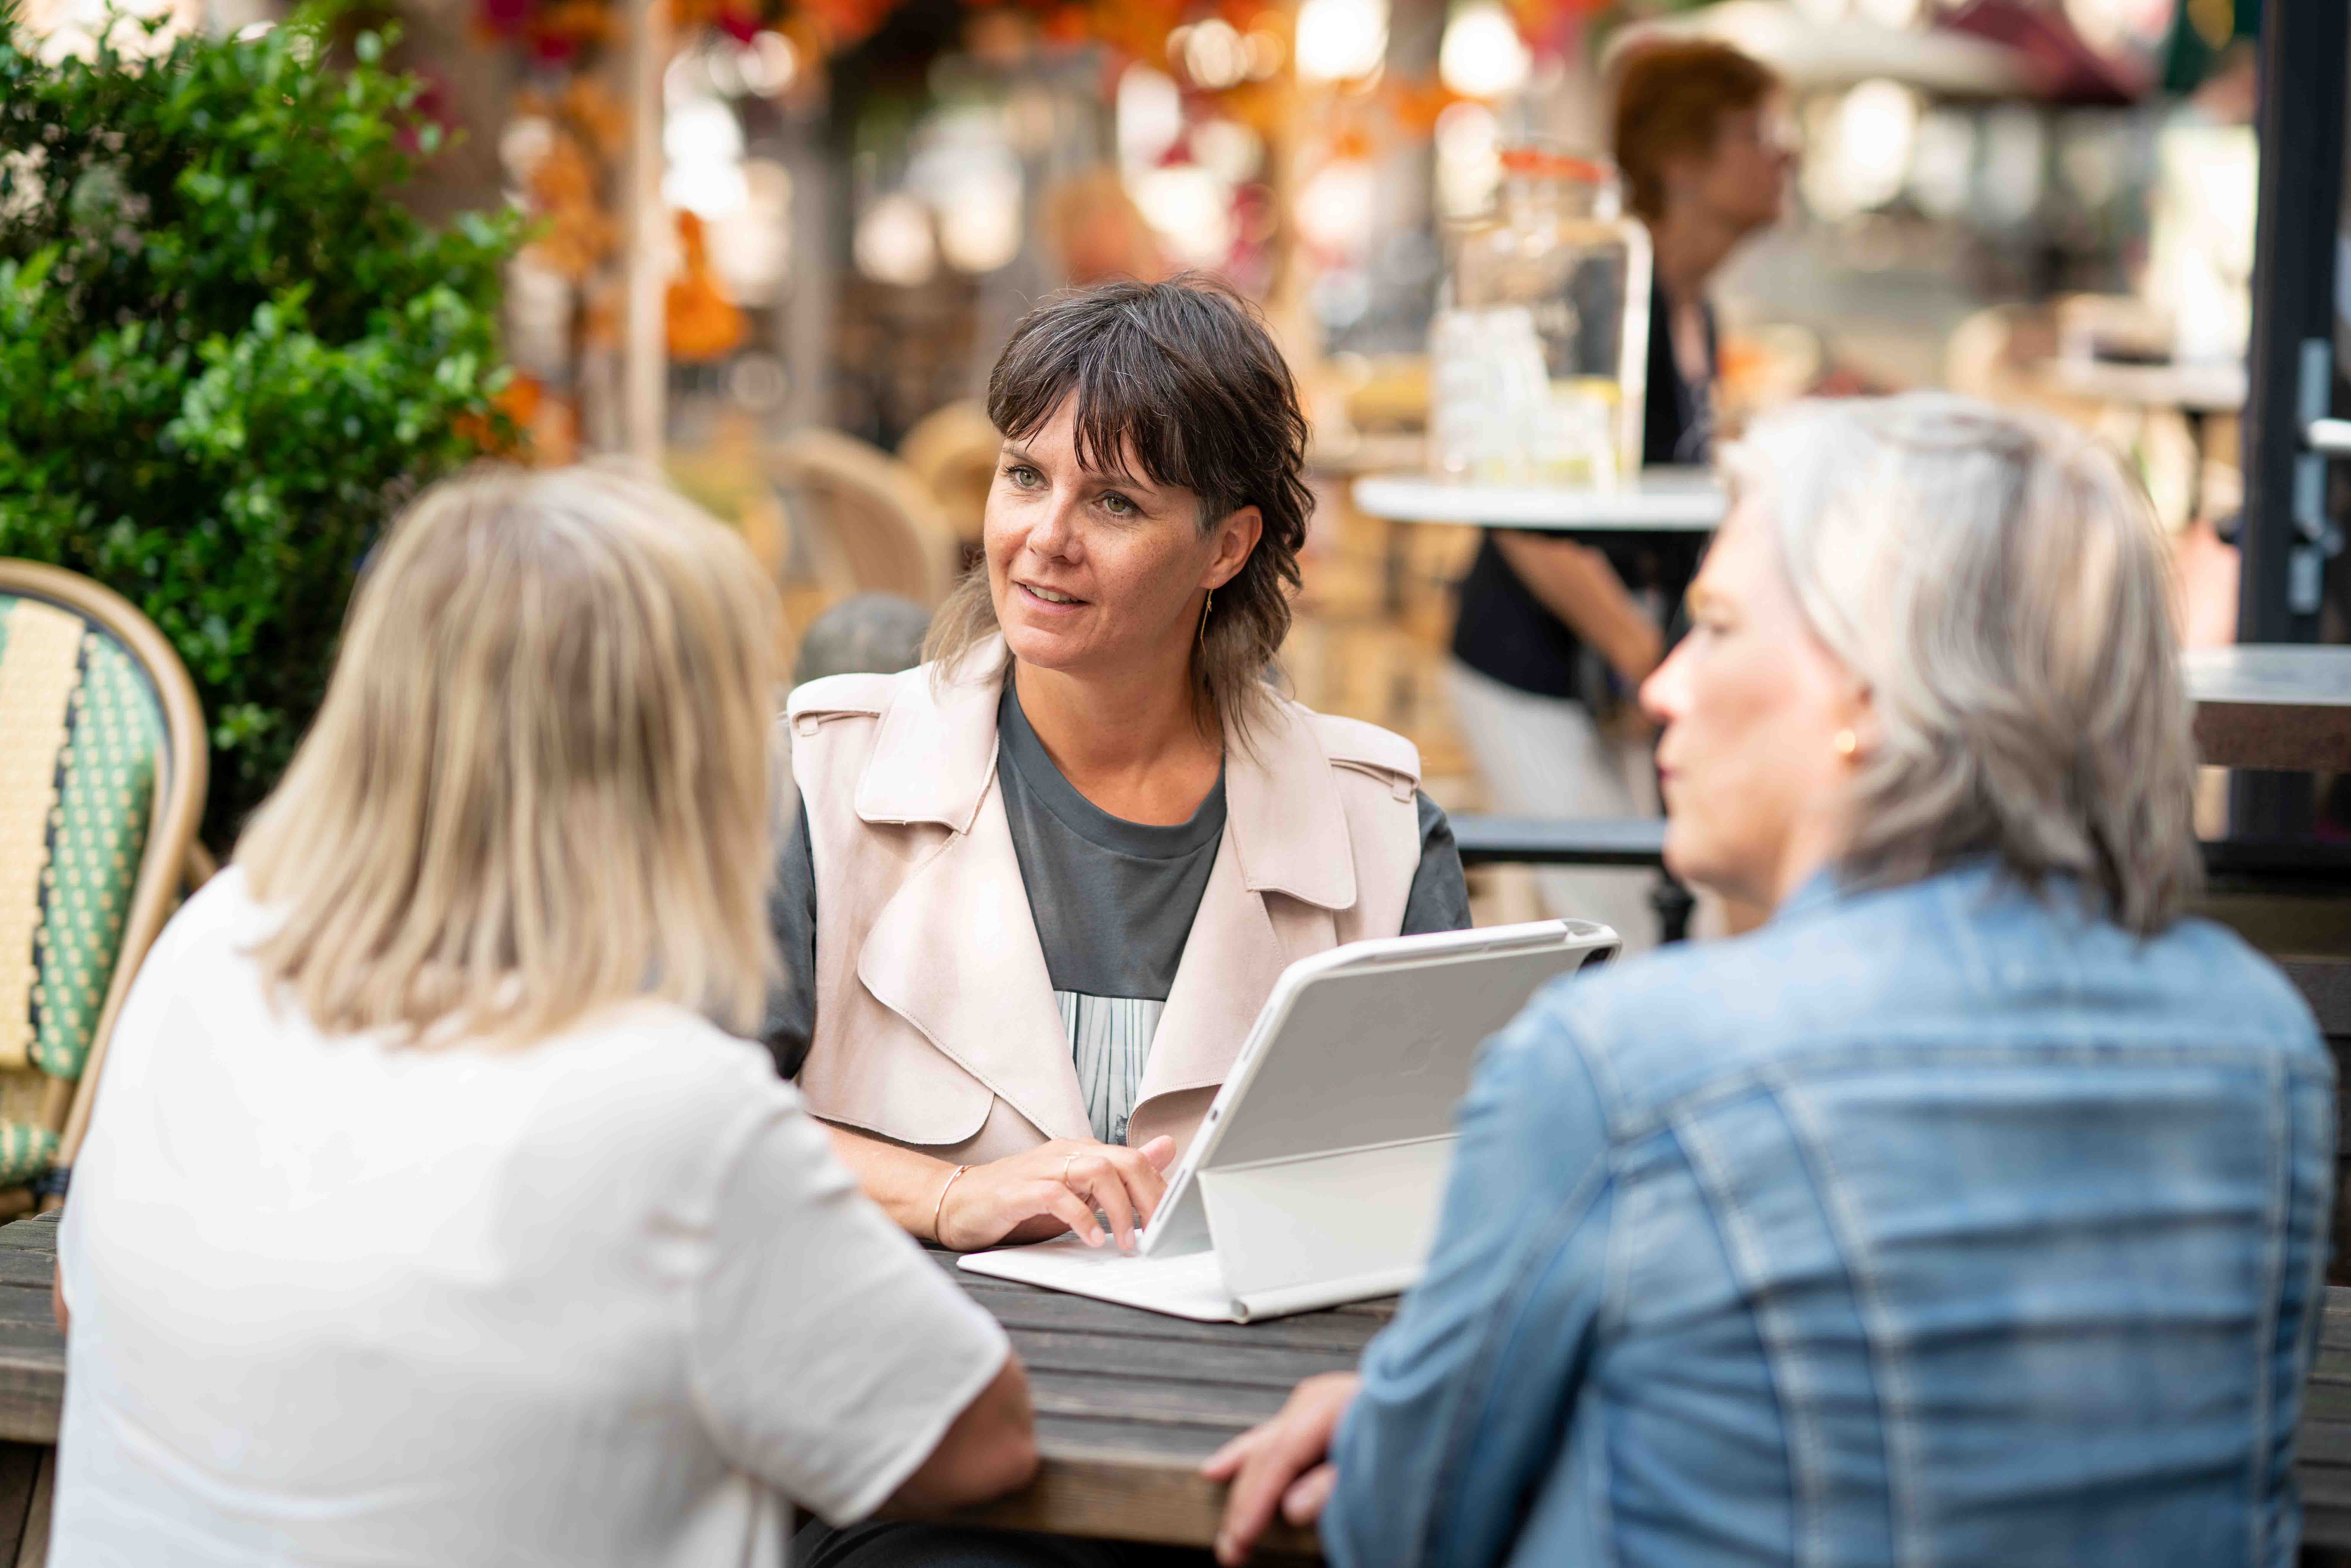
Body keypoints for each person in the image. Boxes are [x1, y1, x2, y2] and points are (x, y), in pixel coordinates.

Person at [1208, 396, 2333, 1567]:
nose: (1663, 685)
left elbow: (1408, 1524)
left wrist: (1390, 1425)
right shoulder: (2258, 1047)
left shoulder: (1621, 1068)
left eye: (1717, 626)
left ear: (1868, 690)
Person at [51, 467, 1037, 1567]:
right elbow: (979, 1441)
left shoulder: (208, 946)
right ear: (684, 765)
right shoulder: (663, 1104)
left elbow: (80, 1302)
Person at [763, 276, 1471, 1257]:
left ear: (1227, 547)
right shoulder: (817, 781)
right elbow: (688, 1112)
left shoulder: (1381, 835)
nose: (1045, 539)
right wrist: (945, 1196)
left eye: (1114, 502)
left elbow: (1437, 1185)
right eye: (1024, 476)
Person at [1446, 39, 1789, 948]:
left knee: (1676, 911)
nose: (1786, 156)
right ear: (1682, 162)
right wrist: (1646, 653)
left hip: (1619, 680)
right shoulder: (1598, 296)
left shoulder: (1691, 307)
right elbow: (1522, 517)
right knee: (1620, 930)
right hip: (1536, 668)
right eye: (1758, 135)